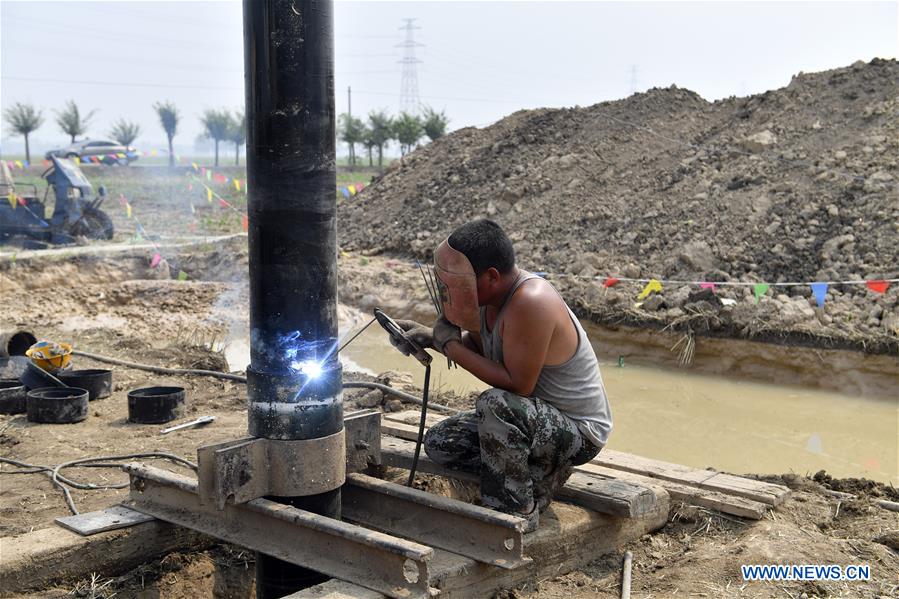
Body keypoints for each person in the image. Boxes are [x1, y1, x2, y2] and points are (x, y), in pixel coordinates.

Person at [392, 219, 612, 531]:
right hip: (533, 420)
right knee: (443, 442)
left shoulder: (531, 301)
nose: (447, 291)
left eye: (455, 283)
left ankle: (516, 514)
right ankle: (540, 473)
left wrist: (451, 347)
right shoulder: (488, 301)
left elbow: (518, 385)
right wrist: (430, 338)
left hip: (577, 431)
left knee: (495, 404)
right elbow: (479, 351)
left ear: (491, 277)